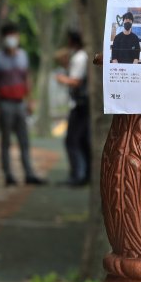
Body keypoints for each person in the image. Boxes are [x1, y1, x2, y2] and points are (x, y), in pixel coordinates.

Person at [0, 22, 46, 186]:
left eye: (15, 35)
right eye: (10, 35)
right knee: (6, 141)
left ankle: (29, 173)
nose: (13, 39)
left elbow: (27, 78)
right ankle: (8, 174)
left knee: (24, 140)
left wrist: (31, 99)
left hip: (20, 102)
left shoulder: (23, 55)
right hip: (5, 103)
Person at [56, 30, 91, 186]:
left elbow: (75, 81)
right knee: (82, 140)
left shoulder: (79, 57)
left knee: (72, 141)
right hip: (82, 104)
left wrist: (62, 79)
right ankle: (85, 174)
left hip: (80, 105)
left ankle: (77, 175)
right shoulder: (80, 56)